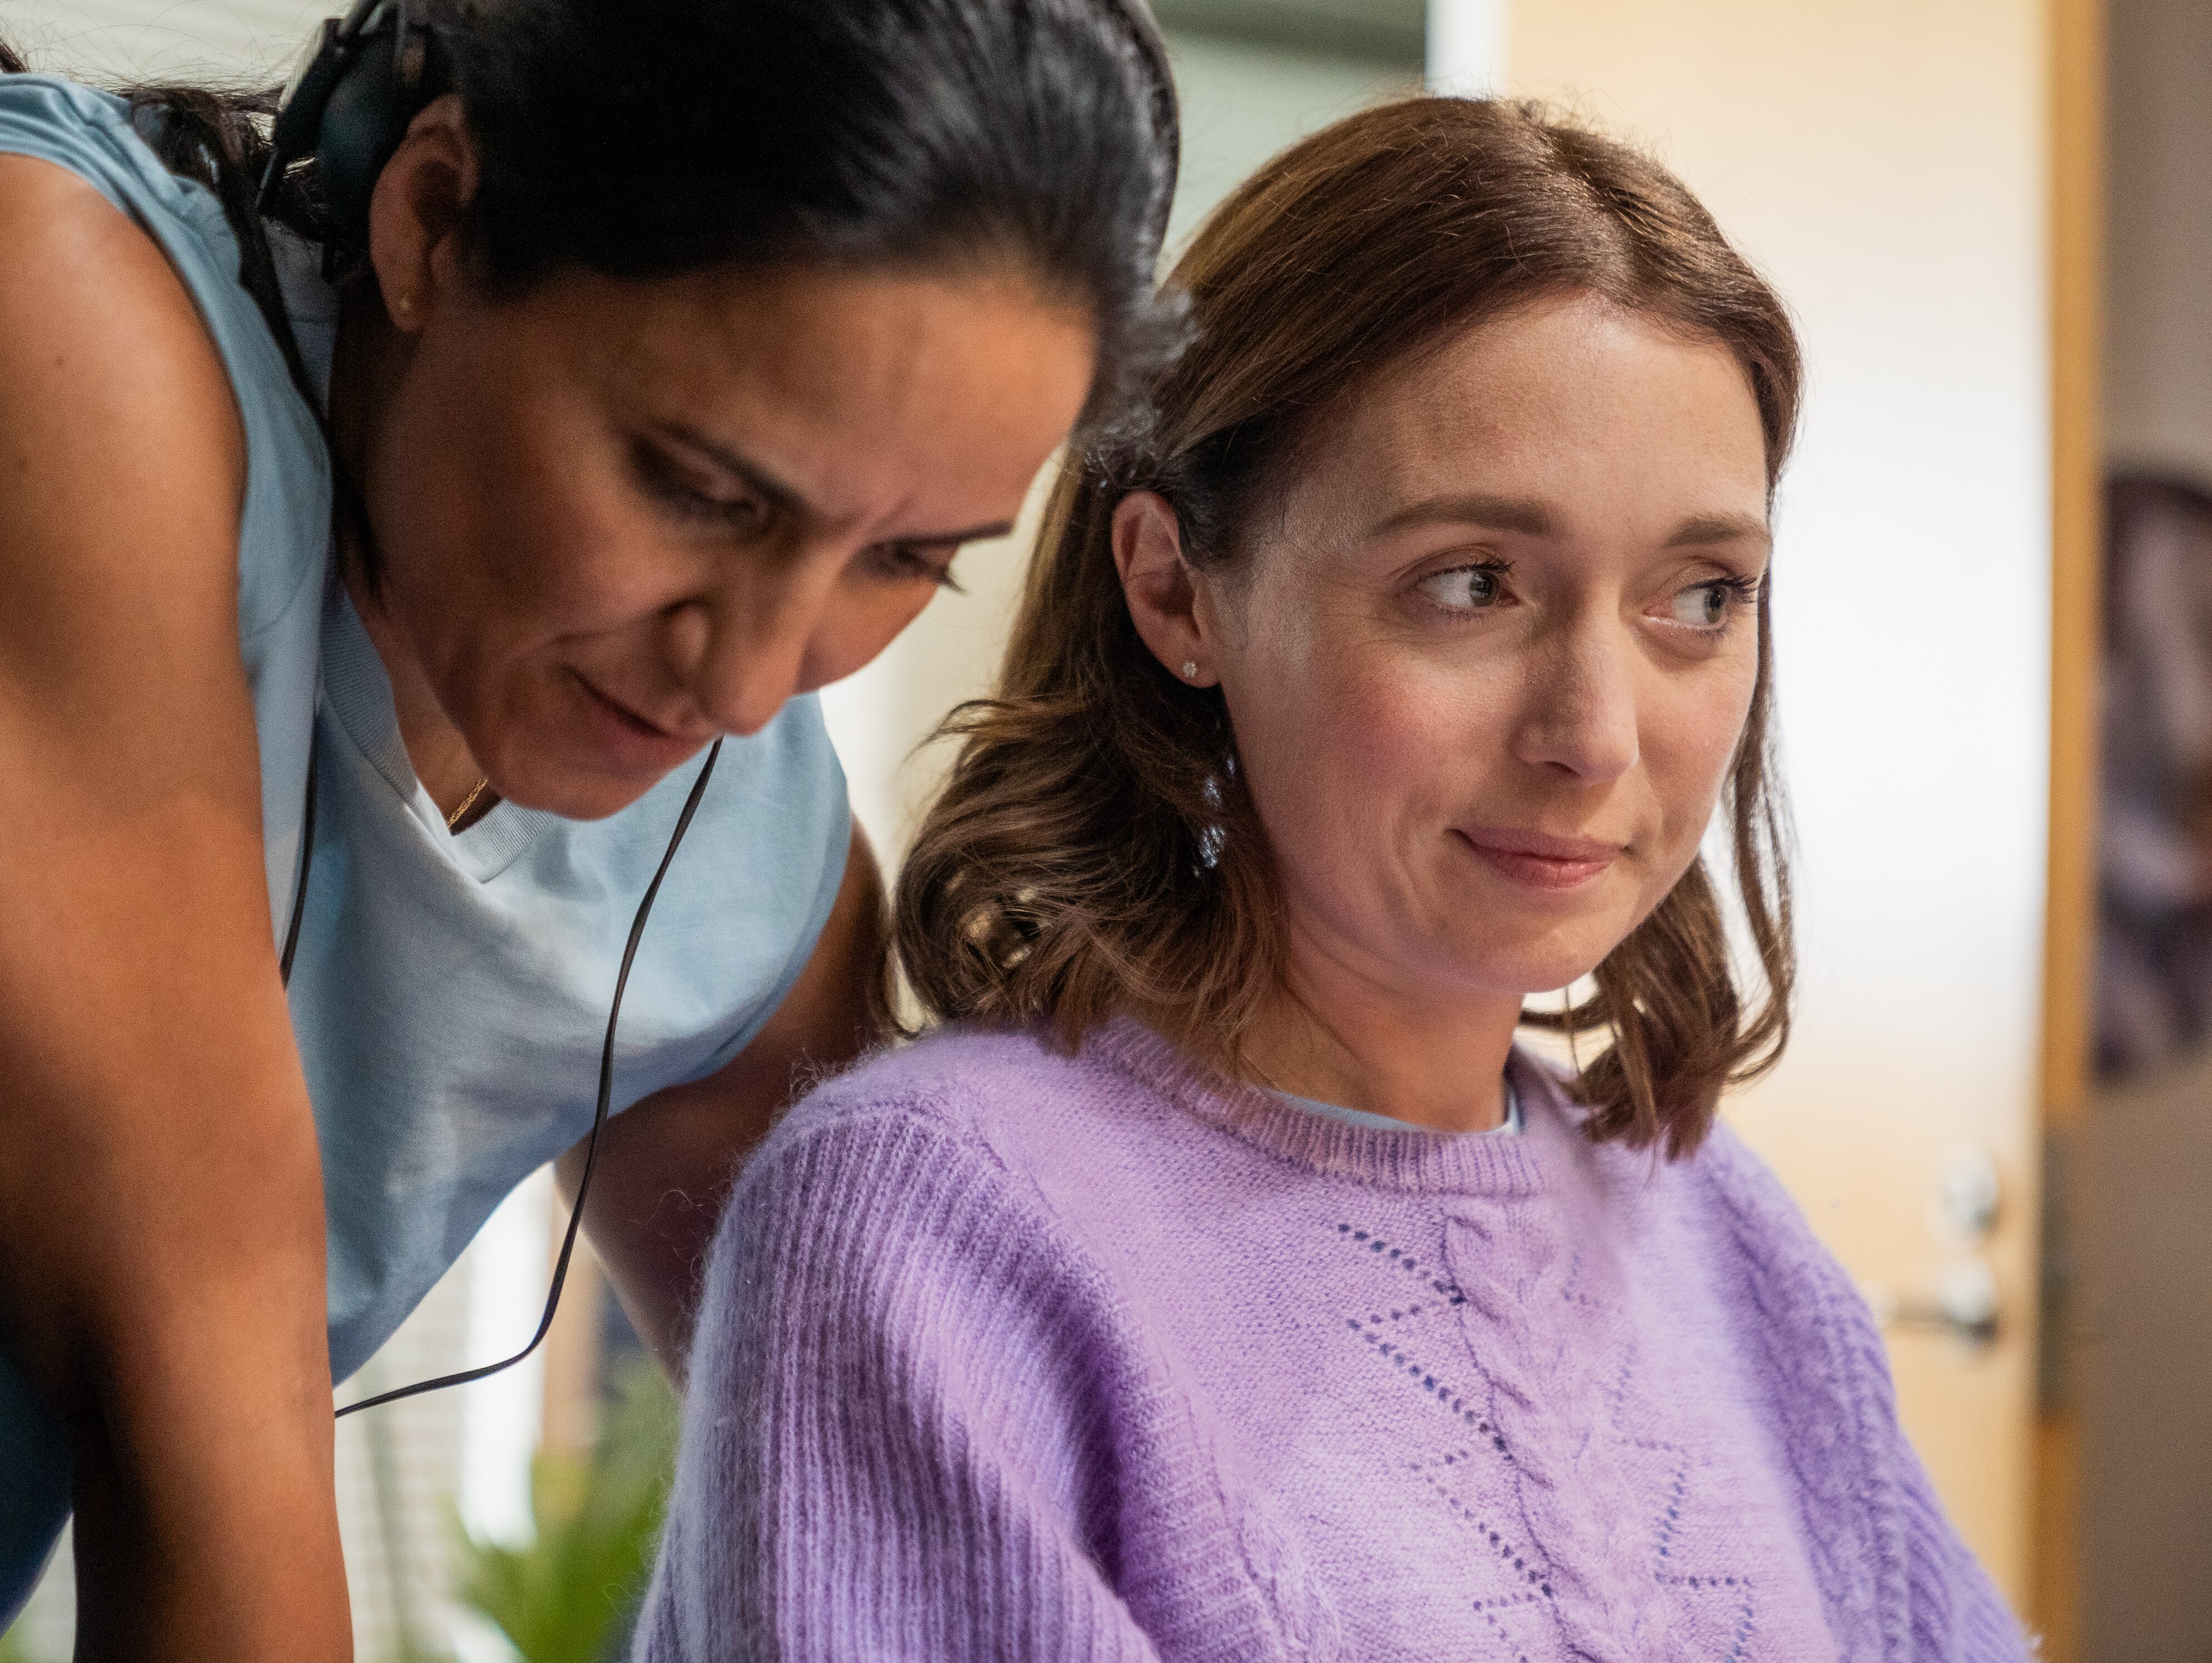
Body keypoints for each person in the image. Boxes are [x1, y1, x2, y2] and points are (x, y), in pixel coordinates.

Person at [0, 0, 1178, 1656]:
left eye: (904, 558)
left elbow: (918, 1510)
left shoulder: (735, 856)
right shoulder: (14, 311)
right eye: (698, 489)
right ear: (426, 218)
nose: (758, 677)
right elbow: (195, 1414)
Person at [640, 97, 2029, 1660]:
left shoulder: (1725, 1241)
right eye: (1468, 584)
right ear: (1175, 589)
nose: (1593, 732)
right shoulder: (932, 1228)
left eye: (1697, 596)